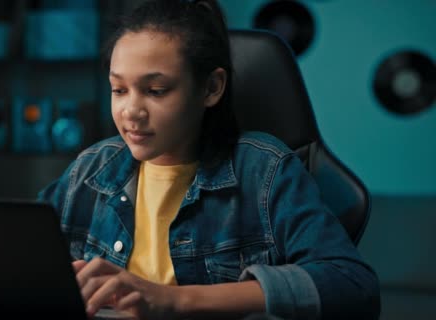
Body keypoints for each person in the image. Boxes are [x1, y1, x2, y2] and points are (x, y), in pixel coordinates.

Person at [38, 0, 380, 319]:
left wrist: (173, 300)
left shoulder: (264, 171)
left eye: (156, 91)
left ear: (212, 88)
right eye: (119, 90)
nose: (131, 112)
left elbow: (353, 286)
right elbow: (21, 257)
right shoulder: (91, 168)